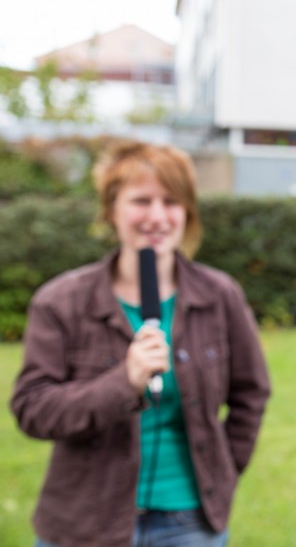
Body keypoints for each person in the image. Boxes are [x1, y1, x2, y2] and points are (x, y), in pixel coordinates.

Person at [10, 140, 271, 547]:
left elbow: (251, 392)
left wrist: (224, 469)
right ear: (111, 210)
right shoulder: (61, 302)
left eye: (171, 201)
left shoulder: (220, 295)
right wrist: (123, 382)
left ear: (187, 213)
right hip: (85, 522)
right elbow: (33, 410)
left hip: (190, 523)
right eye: (141, 200)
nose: (157, 216)